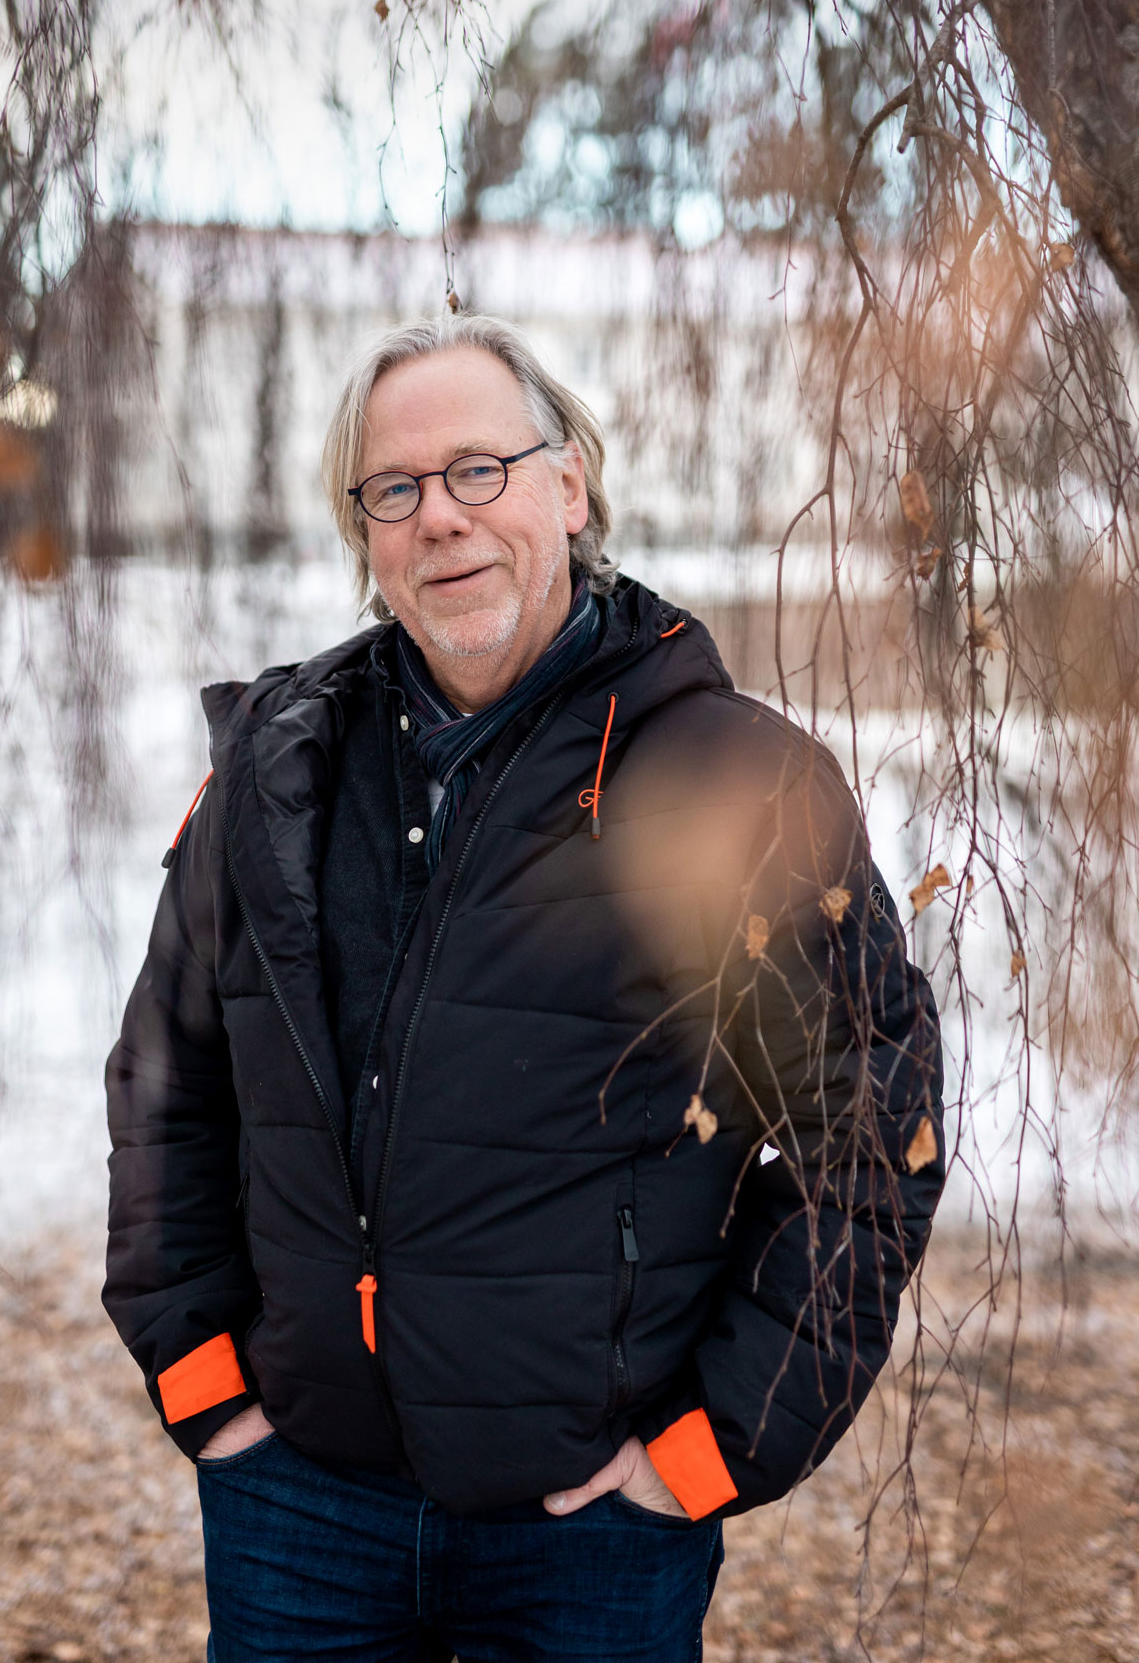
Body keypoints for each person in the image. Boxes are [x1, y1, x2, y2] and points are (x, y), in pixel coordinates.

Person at [103, 312, 944, 1663]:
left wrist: (707, 1449)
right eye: (396, 488)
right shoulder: (279, 767)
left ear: (571, 486)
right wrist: (205, 1386)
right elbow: (169, 1080)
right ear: (367, 534)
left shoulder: (731, 779)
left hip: (589, 1535)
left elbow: (872, 1135)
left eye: (479, 469)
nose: (439, 516)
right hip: (296, 1507)